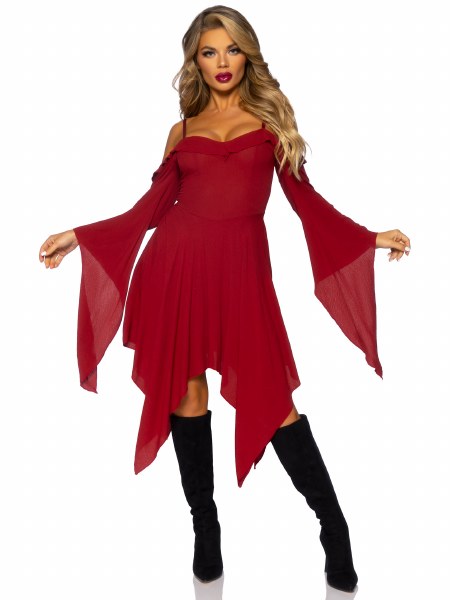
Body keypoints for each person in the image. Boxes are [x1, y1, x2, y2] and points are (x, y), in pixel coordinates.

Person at [38, 5, 411, 594]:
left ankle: (334, 529)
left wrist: (368, 237)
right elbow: (149, 210)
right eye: (209, 51)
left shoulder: (271, 121)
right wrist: (80, 235)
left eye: (232, 49)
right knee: (188, 396)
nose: (221, 62)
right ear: (195, 60)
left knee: (274, 402)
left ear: (247, 55)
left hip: (242, 279)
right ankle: (205, 528)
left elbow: (305, 201)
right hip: (175, 272)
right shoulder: (182, 130)